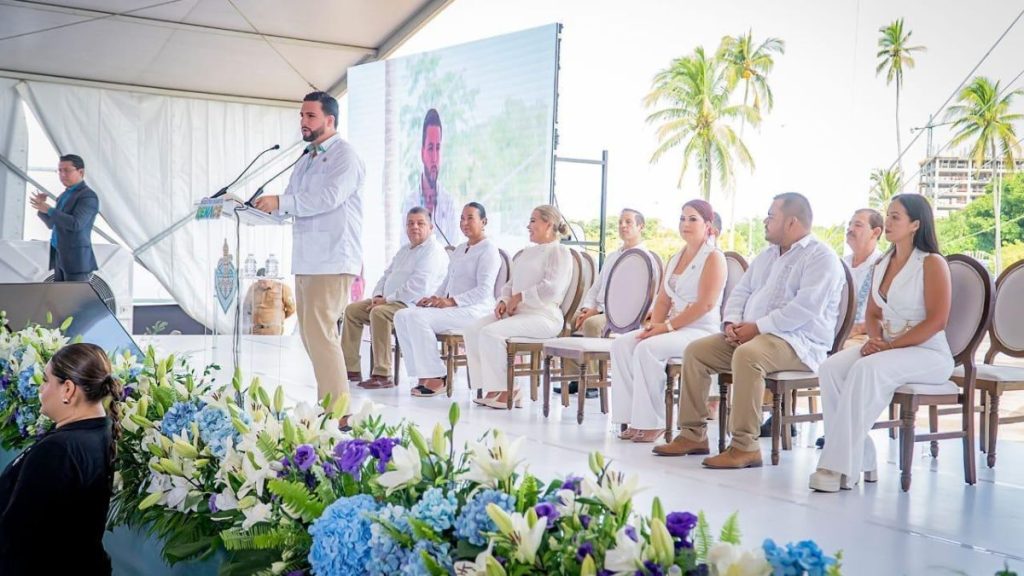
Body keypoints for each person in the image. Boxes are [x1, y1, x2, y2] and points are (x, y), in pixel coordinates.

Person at [654, 193, 845, 469]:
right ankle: (692, 435)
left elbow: (804, 308)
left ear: (791, 222)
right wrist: (731, 323)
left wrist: (757, 328)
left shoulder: (821, 257)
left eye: (771, 216)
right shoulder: (767, 255)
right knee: (696, 352)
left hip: (798, 343)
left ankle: (745, 447)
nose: (765, 221)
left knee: (748, 356)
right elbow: (741, 291)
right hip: (753, 337)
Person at [810, 195, 952, 492]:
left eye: (895, 217)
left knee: (867, 369)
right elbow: (873, 313)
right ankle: (861, 454)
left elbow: (937, 321)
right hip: (887, 348)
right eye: (887, 215)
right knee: (831, 368)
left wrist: (890, 346)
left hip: (928, 354)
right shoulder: (882, 263)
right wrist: (875, 340)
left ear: (915, 224)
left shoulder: (932, 263)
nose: (887, 222)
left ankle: (836, 466)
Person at [253, 91, 364, 411]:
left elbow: (328, 198)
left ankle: (338, 413)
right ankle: (328, 405)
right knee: (310, 336)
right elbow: (291, 204)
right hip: (307, 259)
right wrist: (258, 209)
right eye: (301, 115)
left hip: (332, 258)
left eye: (310, 116)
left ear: (330, 120)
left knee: (321, 335)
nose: (303, 121)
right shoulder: (305, 158)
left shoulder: (345, 155)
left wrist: (280, 202)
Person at [0, 343, 122, 574]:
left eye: (46, 380)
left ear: (68, 389)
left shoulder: (58, 451)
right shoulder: (101, 432)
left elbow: (17, 542)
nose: (41, 388)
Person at [610, 200, 726, 443]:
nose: (685, 224)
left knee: (647, 349)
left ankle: (653, 423)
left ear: (707, 225)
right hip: (674, 328)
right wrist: (654, 327)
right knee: (622, 344)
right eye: (682, 218)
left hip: (700, 330)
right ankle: (631, 418)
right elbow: (663, 300)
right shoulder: (676, 257)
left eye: (692, 219)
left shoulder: (714, 257)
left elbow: (705, 304)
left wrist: (666, 327)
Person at [463, 204, 573, 409]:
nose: (528, 226)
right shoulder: (526, 253)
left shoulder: (559, 251)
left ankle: (510, 389)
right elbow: (510, 285)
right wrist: (504, 301)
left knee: (490, 333)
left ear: (548, 224)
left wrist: (520, 297)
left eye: (533, 221)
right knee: (472, 330)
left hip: (544, 317)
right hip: (519, 314)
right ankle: (492, 387)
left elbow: (552, 289)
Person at [393, 202, 501, 396]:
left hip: (476, 310)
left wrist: (451, 301)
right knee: (402, 315)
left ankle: (438, 376)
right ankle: (423, 374)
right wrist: (434, 298)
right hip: (455, 309)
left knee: (417, 318)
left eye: (470, 218)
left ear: (484, 222)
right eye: (462, 218)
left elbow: (484, 290)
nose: (464, 223)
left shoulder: (489, 250)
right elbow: (447, 280)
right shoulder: (460, 249)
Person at [342, 207, 448, 389]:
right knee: (352, 311)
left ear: (431, 227)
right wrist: (378, 295)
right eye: (410, 223)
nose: (414, 227)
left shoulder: (433, 251)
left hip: (412, 305)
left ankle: (383, 374)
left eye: (420, 223)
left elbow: (418, 286)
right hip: (388, 301)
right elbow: (386, 275)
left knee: (379, 313)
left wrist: (386, 300)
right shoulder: (405, 250)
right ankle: (350, 368)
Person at [559, 208, 648, 396]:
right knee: (567, 320)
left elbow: (631, 296)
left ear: (641, 226)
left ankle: (592, 383)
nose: (623, 226)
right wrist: (587, 308)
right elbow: (597, 286)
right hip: (600, 309)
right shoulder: (612, 256)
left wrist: (597, 311)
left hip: (623, 314)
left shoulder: (644, 259)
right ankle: (575, 377)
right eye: (620, 222)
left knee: (592, 324)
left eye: (628, 222)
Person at [30, 154, 99, 281]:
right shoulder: (63, 196)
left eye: (67, 170)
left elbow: (76, 224)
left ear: (81, 172)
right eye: (60, 170)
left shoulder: (88, 196)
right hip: (59, 255)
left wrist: (49, 209)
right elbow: (52, 224)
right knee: (60, 293)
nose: (62, 175)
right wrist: (42, 208)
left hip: (76, 259)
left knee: (75, 294)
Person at [401, 109, 458, 247]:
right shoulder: (410, 203)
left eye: (438, 148)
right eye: (430, 148)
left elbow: (455, 250)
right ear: (422, 153)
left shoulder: (448, 203)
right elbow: (404, 249)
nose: (434, 158)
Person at [242, 269, 296, 335]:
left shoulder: (283, 288)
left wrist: (279, 318)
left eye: (264, 282)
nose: (261, 284)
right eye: (259, 281)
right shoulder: (253, 288)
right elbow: (246, 307)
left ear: (270, 279)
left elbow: (291, 309)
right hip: (256, 329)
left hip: (273, 330)